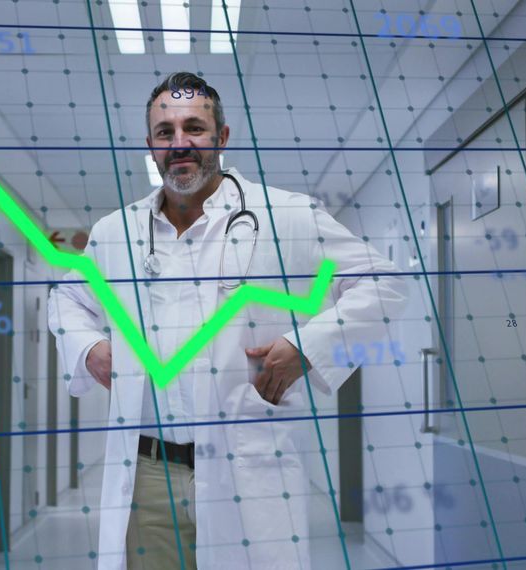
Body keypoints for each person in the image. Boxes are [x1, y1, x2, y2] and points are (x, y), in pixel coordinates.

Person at [47, 71, 406, 570]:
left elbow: (385, 282)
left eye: (193, 127)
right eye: (165, 132)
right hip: (149, 473)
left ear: (222, 137)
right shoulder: (116, 232)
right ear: (150, 145)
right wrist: (89, 349)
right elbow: (65, 298)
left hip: (248, 465)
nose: (180, 143)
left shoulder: (287, 215)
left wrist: (308, 345)